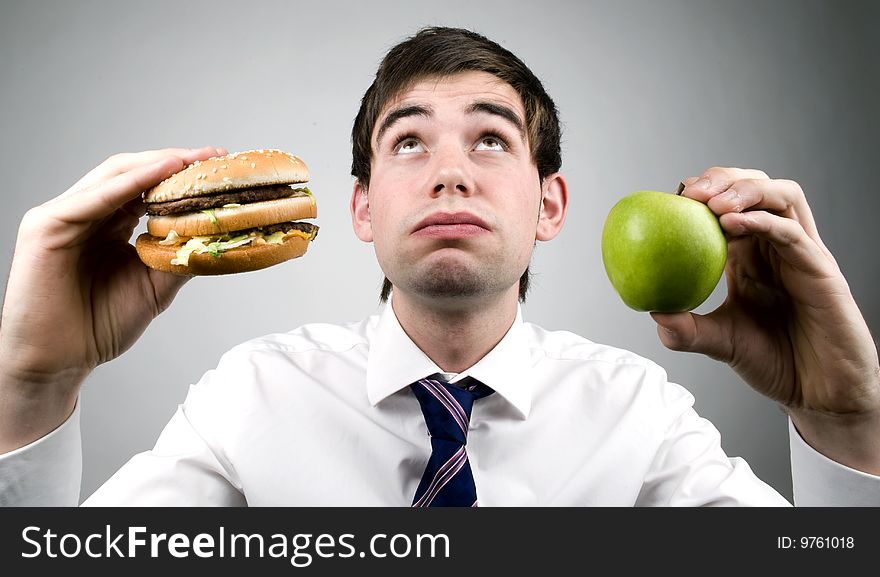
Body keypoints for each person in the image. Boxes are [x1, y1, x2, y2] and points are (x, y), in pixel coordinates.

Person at [0, 26, 878, 506]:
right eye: (409, 140)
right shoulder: (250, 395)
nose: (451, 169)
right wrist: (32, 391)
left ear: (549, 207)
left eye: (492, 139)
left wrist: (847, 427)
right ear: (361, 208)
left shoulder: (638, 416)